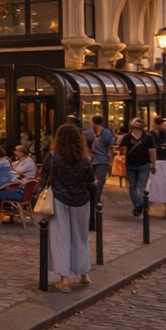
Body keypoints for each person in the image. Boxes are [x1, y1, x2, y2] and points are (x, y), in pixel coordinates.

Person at [44, 123, 95, 292]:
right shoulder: (85, 159)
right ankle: (84, 274)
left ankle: (64, 279)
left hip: (59, 199)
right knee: (81, 238)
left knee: (61, 238)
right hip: (81, 201)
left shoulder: (52, 157)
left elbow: (45, 179)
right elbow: (91, 182)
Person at [118, 119, 156, 217]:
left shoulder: (128, 137)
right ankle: (140, 205)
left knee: (136, 187)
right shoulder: (147, 137)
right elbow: (152, 151)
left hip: (141, 165)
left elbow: (152, 151)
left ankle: (139, 206)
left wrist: (153, 164)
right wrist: (153, 164)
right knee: (136, 186)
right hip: (133, 165)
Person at [146, 117, 166, 214]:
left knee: (155, 182)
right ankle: (161, 203)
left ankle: (160, 203)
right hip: (161, 159)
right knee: (159, 182)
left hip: (159, 160)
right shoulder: (161, 133)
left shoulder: (152, 134)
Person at [84, 115, 115, 198]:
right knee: (99, 181)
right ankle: (96, 199)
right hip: (103, 160)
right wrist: (111, 161)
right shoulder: (107, 133)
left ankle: (90, 198)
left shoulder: (88, 133)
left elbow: (84, 145)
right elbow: (110, 148)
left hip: (90, 159)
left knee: (89, 180)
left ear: (92, 122)